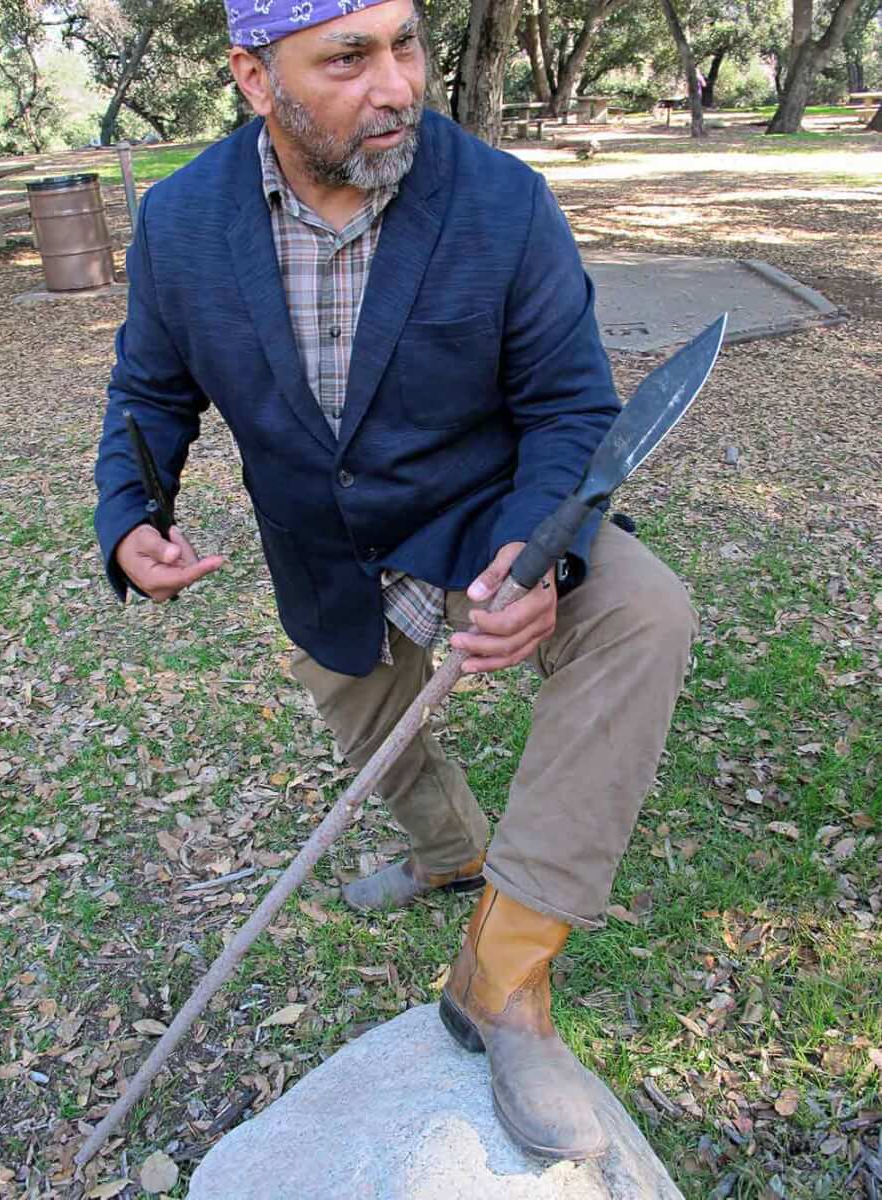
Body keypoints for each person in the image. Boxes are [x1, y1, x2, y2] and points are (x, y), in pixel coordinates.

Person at [94, 0, 697, 1163]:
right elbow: (149, 393)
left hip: (485, 522)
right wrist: (134, 517)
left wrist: (541, 555)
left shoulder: (499, 200)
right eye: (349, 57)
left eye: (405, 43)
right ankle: (448, 852)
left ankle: (504, 975)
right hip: (319, 550)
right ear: (255, 78)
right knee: (379, 736)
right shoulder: (180, 223)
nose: (397, 84)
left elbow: (571, 405)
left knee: (644, 612)